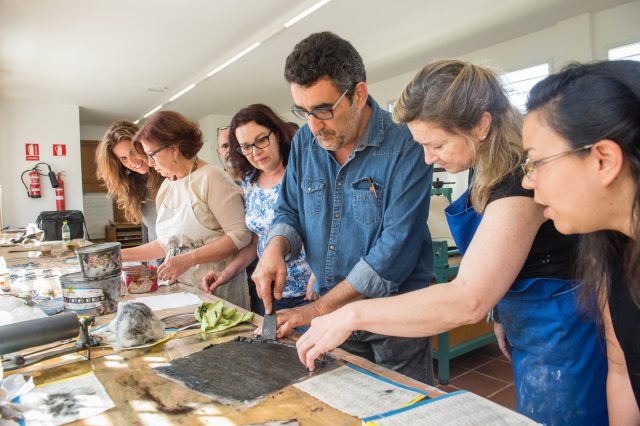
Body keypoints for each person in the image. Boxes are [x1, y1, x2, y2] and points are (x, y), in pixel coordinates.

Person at [295, 59, 608, 425]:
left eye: (436, 144)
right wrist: (501, 311)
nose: (429, 158)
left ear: (481, 125)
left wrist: (350, 314)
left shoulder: (517, 181)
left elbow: (467, 299)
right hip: (527, 317)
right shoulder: (484, 163)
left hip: (564, 326)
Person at [252, 32, 435, 384]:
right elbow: (289, 208)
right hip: (332, 311)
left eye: (323, 110)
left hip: (394, 315)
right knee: (347, 401)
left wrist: (318, 309)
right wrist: (275, 248)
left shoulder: (406, 143)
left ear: (359, 94)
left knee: (405, 406)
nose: (313, 125)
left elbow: (395, 248)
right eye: (303, 112)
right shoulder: (306, 141)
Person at [522, 60, 640, 424]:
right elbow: (622, 371)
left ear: (603, 160)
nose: (528, 182)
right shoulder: (611, 248)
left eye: (536, 163)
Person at [122, 111, 252, 309]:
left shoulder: (211, 177)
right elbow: (165, 244)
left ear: (174, 149)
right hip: (179, 289)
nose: (149, 163)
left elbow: (240, 235)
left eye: (152, 155)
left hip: (215, 286)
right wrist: (118, 255)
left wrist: (188, 259)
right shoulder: (167, 187)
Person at [201, 104, 317, 314]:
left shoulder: (305, 174)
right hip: (269, 291)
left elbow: (328, 229)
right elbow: (256, 242)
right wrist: (226, 273)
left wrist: (319, 276)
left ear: (278, 135)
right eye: (246, 147)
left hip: (309, 292)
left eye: (261, 140)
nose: (255, 152)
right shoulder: (250, 183)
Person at [95, 120, 163, 242]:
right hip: (158, 257)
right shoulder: (137, 185)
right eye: (124, 158)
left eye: (133, 151)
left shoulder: (170, 176)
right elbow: (151, 230)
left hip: (182, 255)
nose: (133, 162)